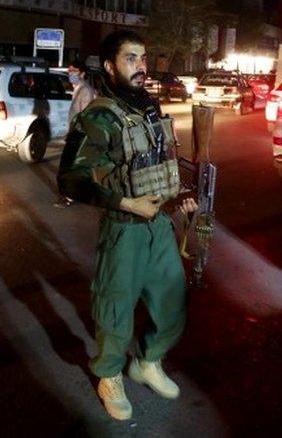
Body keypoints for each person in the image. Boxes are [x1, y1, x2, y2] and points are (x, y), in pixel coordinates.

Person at [58, 30, 198, 420]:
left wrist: (180, 195)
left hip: (160, 226)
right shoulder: (100, 116)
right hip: (124, 228)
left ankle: (148, 361)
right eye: (131, 58)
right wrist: (124, 202)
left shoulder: (148, 107)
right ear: (109, 66)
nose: (141, 66)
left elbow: (157, 164)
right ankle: (109, 376)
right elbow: (69, 179)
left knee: (172, 304)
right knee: (115, 311)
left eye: (143, 58)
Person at [54, 60, 99, 209]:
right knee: (75, 168)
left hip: (79, 135)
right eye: (69, 71)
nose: (70, 73)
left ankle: (68, 196)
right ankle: (76, 194)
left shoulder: (85, 90)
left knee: (69, 167)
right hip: (76, 133)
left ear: (82, 74)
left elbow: (85, 116)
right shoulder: (79, 88)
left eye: (74, 71)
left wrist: (76, 135)